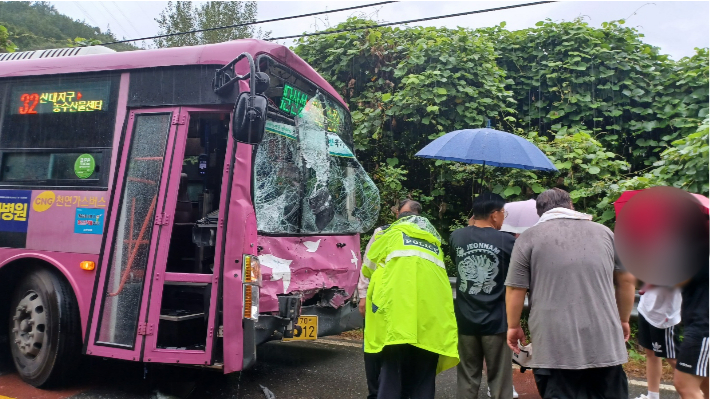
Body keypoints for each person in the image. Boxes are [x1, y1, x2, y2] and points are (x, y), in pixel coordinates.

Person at [504, 188, 636, 398]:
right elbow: (627, 279)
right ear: (571, 206)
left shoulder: (528, 238)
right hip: (604, 341)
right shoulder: (605, 233)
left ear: (540, 213)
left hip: (553, 345)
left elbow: (515, 288)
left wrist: (513, 326)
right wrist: (623, 320)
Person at [363, 212, 459, 399]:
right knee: (422, 381)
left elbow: (368, 268)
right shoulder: (434, 245)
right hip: (430, 324)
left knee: (392, 377)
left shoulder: (390, 235)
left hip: (397, 322)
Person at [450, 193, 514, 399]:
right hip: (497, 321)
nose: (504, 217)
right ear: (494, 215)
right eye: (504, 213)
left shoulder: (457, 236)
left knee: (467, 377)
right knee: (500, 381)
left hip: (465, 319)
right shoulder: (506, 240)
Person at [358, 199, 421, 399]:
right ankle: (374, 393)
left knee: (398, 352)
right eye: (401, 213)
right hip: (379, 302)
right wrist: (362, 295)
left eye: (406, 214)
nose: (401, 217)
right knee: (374, 351)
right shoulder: (382, 232)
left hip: (406, 305)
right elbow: (368, 265)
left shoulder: (423, 237)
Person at [634, 285, 682, 399]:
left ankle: (691, 394)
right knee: (651, 353)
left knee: (674, 360)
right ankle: (652, 396)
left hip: (665, 316)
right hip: (646, 307)